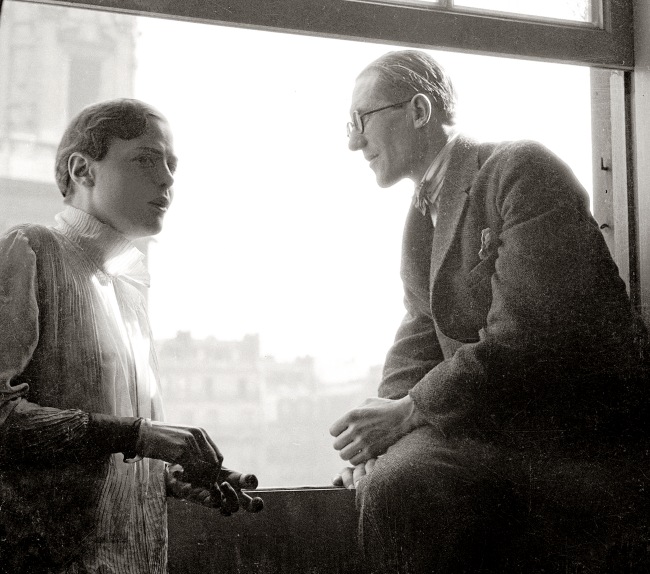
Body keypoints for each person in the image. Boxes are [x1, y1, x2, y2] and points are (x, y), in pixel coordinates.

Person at [330, 50, 650, 573]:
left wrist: (407, 414)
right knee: (388, 472)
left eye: (360, 121)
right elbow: (419, 336)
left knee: (402, 486)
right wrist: (373, 437)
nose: (352, 142)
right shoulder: (421, 216)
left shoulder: (520, 170)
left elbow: (528, 337)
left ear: (418, 110)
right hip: (496, 424)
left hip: (578, 439)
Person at [0, 98, 254, 574]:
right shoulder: (30, 248)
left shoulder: (129, 288)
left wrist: (174, 477)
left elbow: (114, 453)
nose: (167, 179)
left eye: (171, 165)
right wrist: (142, 435)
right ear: (82, 170)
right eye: (145, 158)